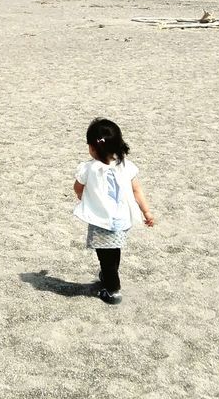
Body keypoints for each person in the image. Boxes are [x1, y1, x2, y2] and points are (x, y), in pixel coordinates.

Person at [72, 118, 155, 305]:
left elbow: (78, 187)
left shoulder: (88, 168)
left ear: (93, 147)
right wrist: (147, 212)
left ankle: (112, 290)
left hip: (101, 221)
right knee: (114, 250)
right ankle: (109, 274)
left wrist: (82, 196)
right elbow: (137, 191)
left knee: (105, 256)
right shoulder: (126, 165)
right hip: (122, 220)